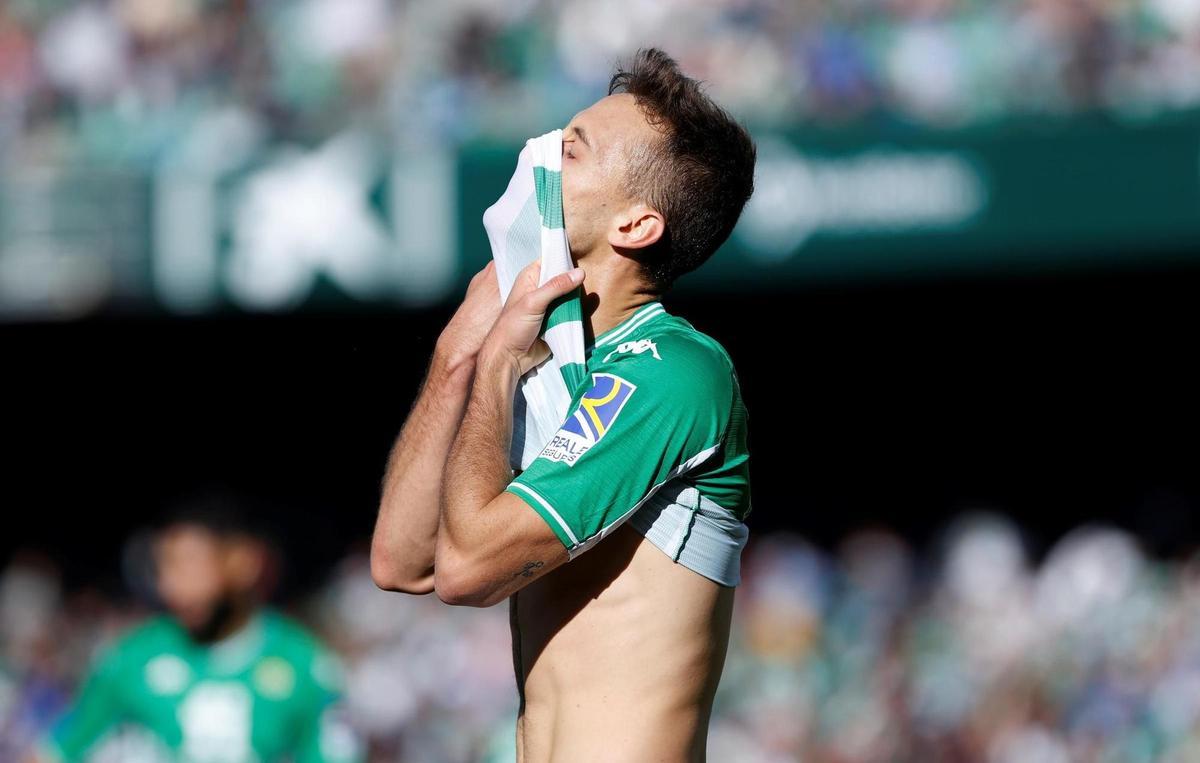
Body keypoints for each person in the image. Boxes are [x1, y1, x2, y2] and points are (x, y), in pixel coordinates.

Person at [372, 48, 755, 762]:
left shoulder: (674, 370)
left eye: (570, 154)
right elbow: (404, 561)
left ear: (636, 226)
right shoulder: (549, 358)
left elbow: (464, 572)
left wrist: (495, 368)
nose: (538, 160)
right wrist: (458, 357)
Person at [33, 498, 361, 763]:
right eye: (162, 567)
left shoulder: (307, 667)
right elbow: (55, 751)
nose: (170, 585)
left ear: (243, 563)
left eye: (186, 563)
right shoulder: (128, 659)